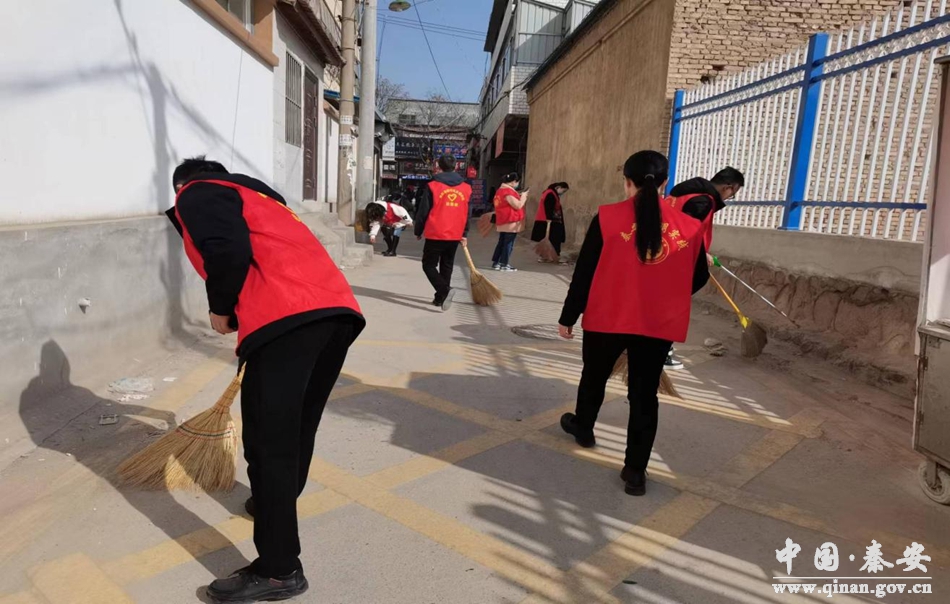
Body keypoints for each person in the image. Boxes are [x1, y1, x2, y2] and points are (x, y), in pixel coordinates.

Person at [166, 157, 365, 603]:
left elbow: (226, 251)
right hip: (335, 313)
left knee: (268, 443)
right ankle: (274, 502)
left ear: (183, 184)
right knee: (297, 425)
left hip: (286, 317)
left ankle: (278, 570)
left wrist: (221, 309)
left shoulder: (197, 191)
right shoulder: (261, 198)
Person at [557, 150, 713, 497]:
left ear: (627, 182)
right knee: (644, 395)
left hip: (606, 318)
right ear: (665, 183)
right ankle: (635, 471)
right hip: (657, 323)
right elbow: (699, 276)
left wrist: (568, 317)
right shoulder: (689, 227)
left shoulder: (607, 217)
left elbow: (584, 273)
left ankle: (583, 428)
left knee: (594, 376)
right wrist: (667, 291)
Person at [664, 166, 745, 369]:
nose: (729, 197)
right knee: (671, 307)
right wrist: (700, 254)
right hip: (676, 260)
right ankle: (662, 352)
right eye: (733, 193)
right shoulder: (702, 201)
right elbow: (687, 232)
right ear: (728, 187)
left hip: (663, 254)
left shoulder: (680, 194)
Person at [414, 153, 472, 311]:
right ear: (455, 166)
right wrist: (464, 233)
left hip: (436, 232)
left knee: (428, 265)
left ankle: (444, 290)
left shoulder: (433, 186)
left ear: (439, 166)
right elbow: (468, 213)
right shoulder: (466, 188)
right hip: (455, 233)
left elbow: (423, 211)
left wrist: (418, 230)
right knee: (447, 265)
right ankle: (440, 298)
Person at [492, 173, 528, 271]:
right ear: (513, 182)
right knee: (508, 243)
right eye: (517, 182)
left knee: (502, 242)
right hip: (510, 221)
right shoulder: (507, 191)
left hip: (503, 220)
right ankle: (504, 264)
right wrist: (524, 197)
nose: (518, 184)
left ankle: (496, 262)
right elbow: (518, 205)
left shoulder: (500, 190)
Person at [530, 182, 570, 263]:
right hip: (549, 221)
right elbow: (548, 207)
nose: (563, 193)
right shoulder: (550, 194)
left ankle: (547, 256)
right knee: (554, 239)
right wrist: (549, 220)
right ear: (558, 187)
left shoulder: (550, 193)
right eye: (563, 190)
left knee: (551, 239)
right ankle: (550, 256)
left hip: (549, 220)